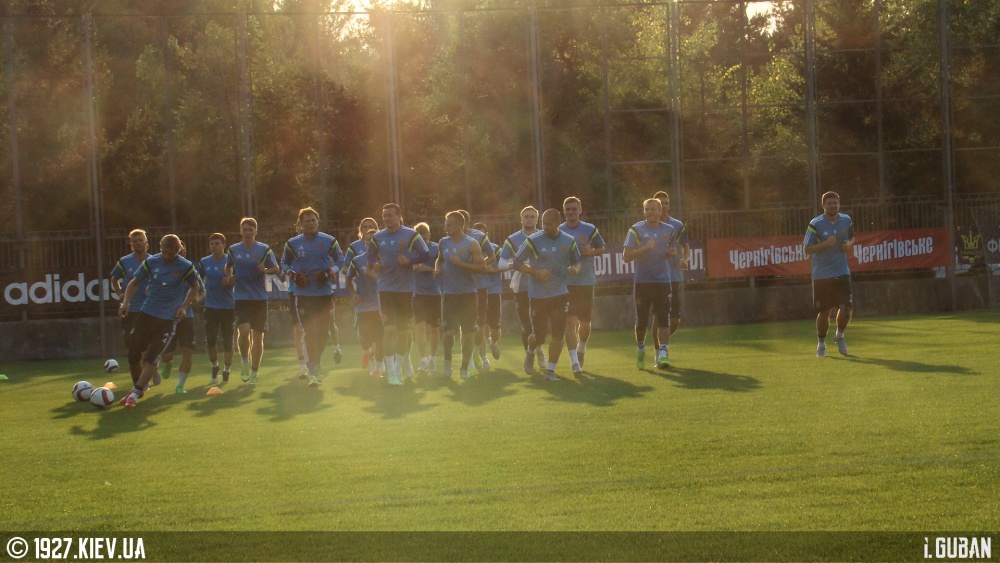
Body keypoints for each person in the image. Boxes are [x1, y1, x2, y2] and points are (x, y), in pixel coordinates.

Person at [117, 234, 200, 408]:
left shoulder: (185, 266)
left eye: (171, 253)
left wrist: (184, 306)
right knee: (133, 353)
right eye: (164, 252)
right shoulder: (152, 262)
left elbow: (195, 286)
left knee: (152, 356)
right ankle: (137, 387)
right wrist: (126, 303)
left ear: (177, 251)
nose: (167, 256)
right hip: (147, 314)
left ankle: (135, 393)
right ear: (160, 248)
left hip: (168, 320)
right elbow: (134, 282)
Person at [512, 208, 581, 381]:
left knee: (558, 334)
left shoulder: (568, 240)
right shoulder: (533, 240)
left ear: (558, 223)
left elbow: (577, 262)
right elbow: (517, 262)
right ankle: (530, 352)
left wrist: (575, 269)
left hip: (560, 294)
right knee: (539, 337)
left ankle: (551, 371)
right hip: (538, 296)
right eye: (543, 223)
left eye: (549, 224)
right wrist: (535, 272)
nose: (545, 227)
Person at [367, 203, 430, 385]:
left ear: (399, 216)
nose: (386, 218)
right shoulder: (378, 237)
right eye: (384, 215)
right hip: (386, 289)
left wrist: (409, 261)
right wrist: (375, 264)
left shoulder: (411, 234)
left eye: (390, 215)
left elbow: (425, 255)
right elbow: (370, 257)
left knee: (404, 331)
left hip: (405, 290)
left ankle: (402, 362)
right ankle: (392, 372)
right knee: (389, 329)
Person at [281, 207, 344, 386]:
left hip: (324, 293)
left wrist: (329, 272)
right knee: (309, 332)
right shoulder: (292, 243)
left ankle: (316, 362)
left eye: (313, 220)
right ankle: (313, 370)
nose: (310, 223)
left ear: (318, 221)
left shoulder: (329, 240)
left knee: (323, 333)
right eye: (306, 221)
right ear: (300, 224)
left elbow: (341, 260)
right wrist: (293, 274)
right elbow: (284, 262)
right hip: (303, 294)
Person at [623, 198, 676, 370]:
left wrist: (670, 253)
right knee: (642, 322)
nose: (649, 212)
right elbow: (626, 256)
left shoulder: (669, 230)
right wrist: (644, 248)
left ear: (660, 211)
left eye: (653, 209)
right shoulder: (636, 230)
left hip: (663, 281)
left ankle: (663, 353)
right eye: (647, 209)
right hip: (642, 282)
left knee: (664, 318)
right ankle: (641, 349)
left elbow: (669, 250)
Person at [228, 217, 280, 385]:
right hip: (241, 298)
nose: (247, 232)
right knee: (243, 332)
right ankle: (245, 362)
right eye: (245, 229)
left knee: (258, 337)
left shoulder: (264, 249)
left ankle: (254, 371)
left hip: (259, 298)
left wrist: (265, 270)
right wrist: (228, 277)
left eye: (251, 229)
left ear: (256, 231)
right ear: (240, 231)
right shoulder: (233, 249)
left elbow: (276, 268)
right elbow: (228, 266)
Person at [804, 191, 856, 357]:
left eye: (835, 203)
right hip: (822, 275)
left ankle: (839, 335)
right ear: (823, 205)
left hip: (842, 272)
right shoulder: (815, 223)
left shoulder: (846, 220)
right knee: (824, 311)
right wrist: (825, 244)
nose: (833, 206)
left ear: (838, 204)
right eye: (829, 203)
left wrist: (848, 244)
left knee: (846, 308)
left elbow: (852, 237)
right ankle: (821, 343)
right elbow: (807, 249)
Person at [436, 211, 487, 379]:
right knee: (448, 333)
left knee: (468, 334)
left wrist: (462, 264)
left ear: (460, 225)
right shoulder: (443, 242)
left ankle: (465, 367)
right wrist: (437, 269)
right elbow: (440, 260)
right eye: (445, 224)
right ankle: (447, 359)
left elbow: (482, 268)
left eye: (449, 224)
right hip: (450, 295)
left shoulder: (472, 243)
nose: (446, 227)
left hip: (468, 295)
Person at [559, 197, 606, 375]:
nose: (571, 212)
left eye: (574, 209)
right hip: (566, 284)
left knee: (584, 323)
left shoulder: (589, 229)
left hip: (586, 282)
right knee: (569, 321)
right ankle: (574, 361)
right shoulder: (559, 230)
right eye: (568, 209)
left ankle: (581, 348)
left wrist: (591, 251)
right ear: (564, 211)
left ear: (580, 210)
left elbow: (602, 248)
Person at [499, 206, 545, 372]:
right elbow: (501, 263)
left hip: (542, 287)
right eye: (526, 216)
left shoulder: (544, 236)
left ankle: (539, 350)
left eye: (532, 216)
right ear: (521, 219)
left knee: (540, 324)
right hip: (521, 288)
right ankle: (529, 355)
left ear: (537, 219)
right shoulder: (513, 239)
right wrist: (517, 265)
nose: (529, 219)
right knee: (526, 325)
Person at [161, 241, 206, 394]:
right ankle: (167, 362)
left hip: (187, 316)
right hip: (167, 317)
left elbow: (202, 291)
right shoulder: (164, 270)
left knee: (187, 351)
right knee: (166, 354)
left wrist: (197, 299)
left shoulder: (191, 270)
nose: (177, 255)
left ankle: (180, 385)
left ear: (184, 253)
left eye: (180, 252)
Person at [109, 229, 151, 387]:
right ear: (131, 245)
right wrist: (121, 294)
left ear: (146, 244)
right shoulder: (125, 262)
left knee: (149, 346)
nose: (138, 243)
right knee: (131, 349)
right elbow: (114, 279)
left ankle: (150, 368)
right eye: (135, 241)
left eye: (140, 240)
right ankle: (138, 383)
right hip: (130, 310)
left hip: (150, 310)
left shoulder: (154, 261)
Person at [651, 190, 690, 349]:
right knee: (659, 316)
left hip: (674, 276)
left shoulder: (677, 225)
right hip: (657, 277)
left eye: (667, 203)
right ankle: (658, 350)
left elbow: (685, 246)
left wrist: (684, 260)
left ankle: (661, 343)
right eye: (662, 203)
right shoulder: (648, 226)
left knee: (675, 319)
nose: (665, 206)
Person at [345, 228, 384, 378]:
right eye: (368, 240)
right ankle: (367, 352)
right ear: (365, 243)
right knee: (366, 340)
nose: (371, 243)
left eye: (374, 240)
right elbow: (348, 279)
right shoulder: (357, 260)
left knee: (380, 339)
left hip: (381, 306)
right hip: (363, 307)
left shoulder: (386, 259)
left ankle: (377, 368)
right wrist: (354, 294)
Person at [198, 233, 236, 384]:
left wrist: (231, 280)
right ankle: (215, 367)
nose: (214, 246)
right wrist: (198, 296)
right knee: (211, 340)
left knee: (228, 341)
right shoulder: (204, 262)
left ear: (223, 245)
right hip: (211, 307)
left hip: (228, 307)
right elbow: (198, 281)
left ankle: (227, 370)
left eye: (217, 243)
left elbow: (238, 278)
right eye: (212, 244)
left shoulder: (230, 261)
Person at [458, 210, 493, 371]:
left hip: (479, 286)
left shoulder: (479, 237)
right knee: (465, 325)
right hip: (460, 288)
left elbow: (492, 256)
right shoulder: (448, 239)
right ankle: (469, 359)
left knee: (479, 324)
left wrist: (479, 266)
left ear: (466, 223)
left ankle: (480, 353)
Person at [279, 222, 309, 379]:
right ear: (297, 227)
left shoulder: (316, 244)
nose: (303, 228)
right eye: (300, 225)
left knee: (313, 330)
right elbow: (283, 268)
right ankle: (303, 365)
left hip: (313, 293)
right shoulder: (291, 246)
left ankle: (313, 362)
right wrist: (285, 273)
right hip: (295, 293)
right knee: (299, 330)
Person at [412, 222, 442, 374]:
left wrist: (426, 268)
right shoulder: (412, 249)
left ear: (429, 235)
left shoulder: (437, 248)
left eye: (424, 237)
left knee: (433, 328)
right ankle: (423, 359)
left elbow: (441, 269)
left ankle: (433, 358)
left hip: (434, 293)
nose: (422, 241)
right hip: (417, 293)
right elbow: (408, 266)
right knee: (420, 327)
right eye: (419, 238)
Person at [474, 222, 504, 367]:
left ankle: (493, 341)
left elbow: (505, 265)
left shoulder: (496, 249)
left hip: (493, 291)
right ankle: (484, 357)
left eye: (482, 234)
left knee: (495, 328)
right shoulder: (470, 249)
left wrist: (493, 269)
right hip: (477, 292)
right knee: (479, 326)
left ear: (486, 235)